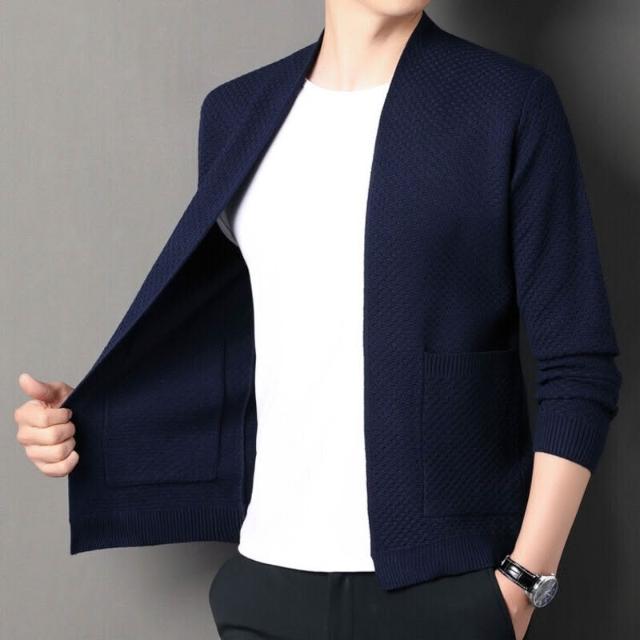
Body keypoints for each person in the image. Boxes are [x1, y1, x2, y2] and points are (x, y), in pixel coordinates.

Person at [12, 2, 622, 639]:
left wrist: (522, 582)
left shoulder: (508, 103)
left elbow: (578, 364)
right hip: (268, 581)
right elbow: (259, 343)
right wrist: (95, 419)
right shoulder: (235, 114)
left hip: (446, 585)